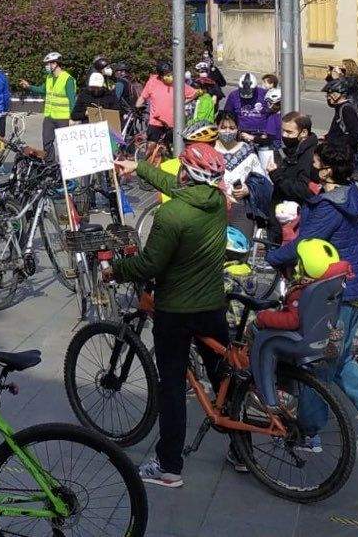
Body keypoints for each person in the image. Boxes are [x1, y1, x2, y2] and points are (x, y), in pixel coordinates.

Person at [105, 140, 228, 488]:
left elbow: (150, 264)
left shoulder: (171, 215)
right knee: (223, 378)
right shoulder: (217, 201)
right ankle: (241, 449)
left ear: (187, 172)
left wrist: (117, 270)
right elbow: (179, 189)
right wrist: (139, 167)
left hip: (176, 310)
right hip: (213, 307)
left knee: (171, 386)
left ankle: (169, 465)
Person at [268, 140, 358, 448]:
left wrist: (271, 257)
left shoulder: (328, 207)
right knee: (338, 359)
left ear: (327, 169)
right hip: (349, 289)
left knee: (316, 362)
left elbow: (305, 245)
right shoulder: (349, 193)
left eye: (317, 160)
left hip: (331, 293)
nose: (313, 162)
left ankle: (309, 433)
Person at [248, 237, 349, 415]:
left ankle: (267, 397)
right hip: (319, 336)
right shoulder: (328, 286)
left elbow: (292, 320)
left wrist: (263, 318)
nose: (295, 267)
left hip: (299, 340)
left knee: (263, 343)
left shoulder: (301, 292)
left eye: (299, 263)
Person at [20, 52, 76, 156]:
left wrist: (72, 118)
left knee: (65, 144)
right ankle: (50, 166)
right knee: (47, 143)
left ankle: (66, 167)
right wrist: (29, 87)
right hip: (49, 116)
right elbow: (42, 90)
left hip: (63, 118)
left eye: (49, 63)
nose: (47, 66)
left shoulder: (68, 79)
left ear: (55, 63)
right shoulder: (49, 77)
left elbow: (72, 100)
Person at [322, 78, 358, 174]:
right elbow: (339, 129)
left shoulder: (346, 109)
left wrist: (337, 144)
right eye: (327, 95)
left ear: (342, 94)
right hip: (341, 155)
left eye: (332, 94)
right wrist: (327, 137)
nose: (329, 97)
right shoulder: (340, 108)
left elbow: (355, 134)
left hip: (345, 158)